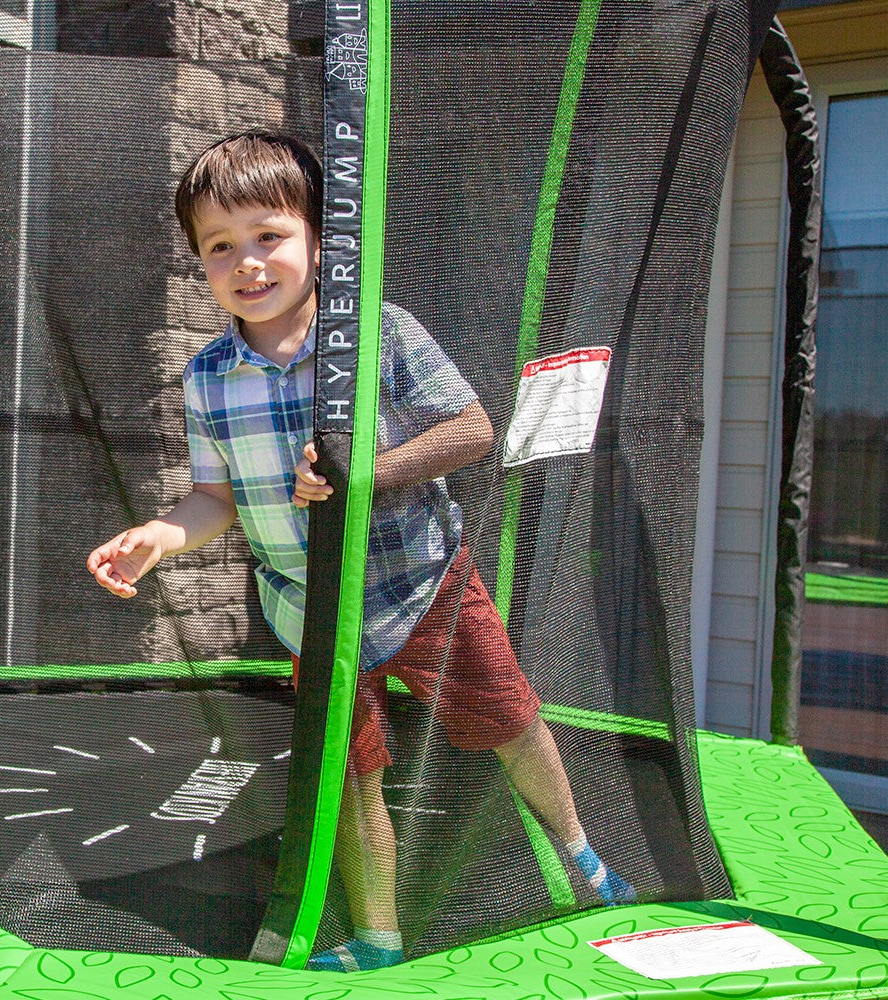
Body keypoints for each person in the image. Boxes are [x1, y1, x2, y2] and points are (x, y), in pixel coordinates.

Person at [85, 130, 634, 973]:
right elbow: (215, 499)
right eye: (219, 248)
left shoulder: (377, 334)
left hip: (422, 582)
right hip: (311, 607)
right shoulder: (209, 377)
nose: (248, 263)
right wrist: (159, 537)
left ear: (315, 240)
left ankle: (580, 853)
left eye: (269, 236)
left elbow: (472, 428)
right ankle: (378, 935)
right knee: (349, 772)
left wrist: (365, 475)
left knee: (509, 721)